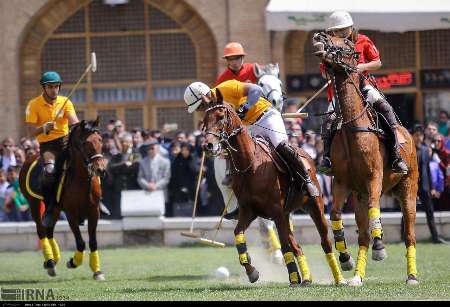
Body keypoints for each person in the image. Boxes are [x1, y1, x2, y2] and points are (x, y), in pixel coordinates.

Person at [184, 80, 319, 199]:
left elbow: (256, 90)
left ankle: (306, 180)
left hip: (267, 116)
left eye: (200, 106)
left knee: (280, 145)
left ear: (204, 96)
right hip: (249, 126)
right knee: (240, 150)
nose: (201, 109)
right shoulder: (212, 111)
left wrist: (246, 107)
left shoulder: (226, 88)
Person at [318, 10, 408, 175]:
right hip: (340, 92)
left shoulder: (363, 40)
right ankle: (327, 158)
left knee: (386, 109)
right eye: (339, 30)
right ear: (332, 32)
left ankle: (396, 156)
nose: (343, 33)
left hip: (363, 86)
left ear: (351, 27)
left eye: (345, 29)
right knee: (328, 120)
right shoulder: (329, 47)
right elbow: (323, 73)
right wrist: (330, 69)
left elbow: (377, 62)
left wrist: (362, 67)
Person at [25, 71, 79, 227]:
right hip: (48, 146)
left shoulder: (65, 102)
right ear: (44, 88)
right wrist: (43, 128)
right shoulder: (33, 104)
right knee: (49, 171)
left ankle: (96, 201)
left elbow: (74, 123)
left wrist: (80, 129)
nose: (54, 90)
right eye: (50, 87)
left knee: (89, 163)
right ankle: (49, 209)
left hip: (66, 142)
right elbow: (29, 131)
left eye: (56, 86)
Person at [401, 125, 447, 244]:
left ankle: (435, 237)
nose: (419, 138)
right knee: (407, 211)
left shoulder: (426, 150)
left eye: (420, 135)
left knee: (430, 211)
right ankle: (404, 237)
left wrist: (432, 187)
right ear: (412, 136)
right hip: (411, 186)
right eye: (416, 135)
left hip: (425, 186)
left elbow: (427, 170)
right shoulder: (408, 150)